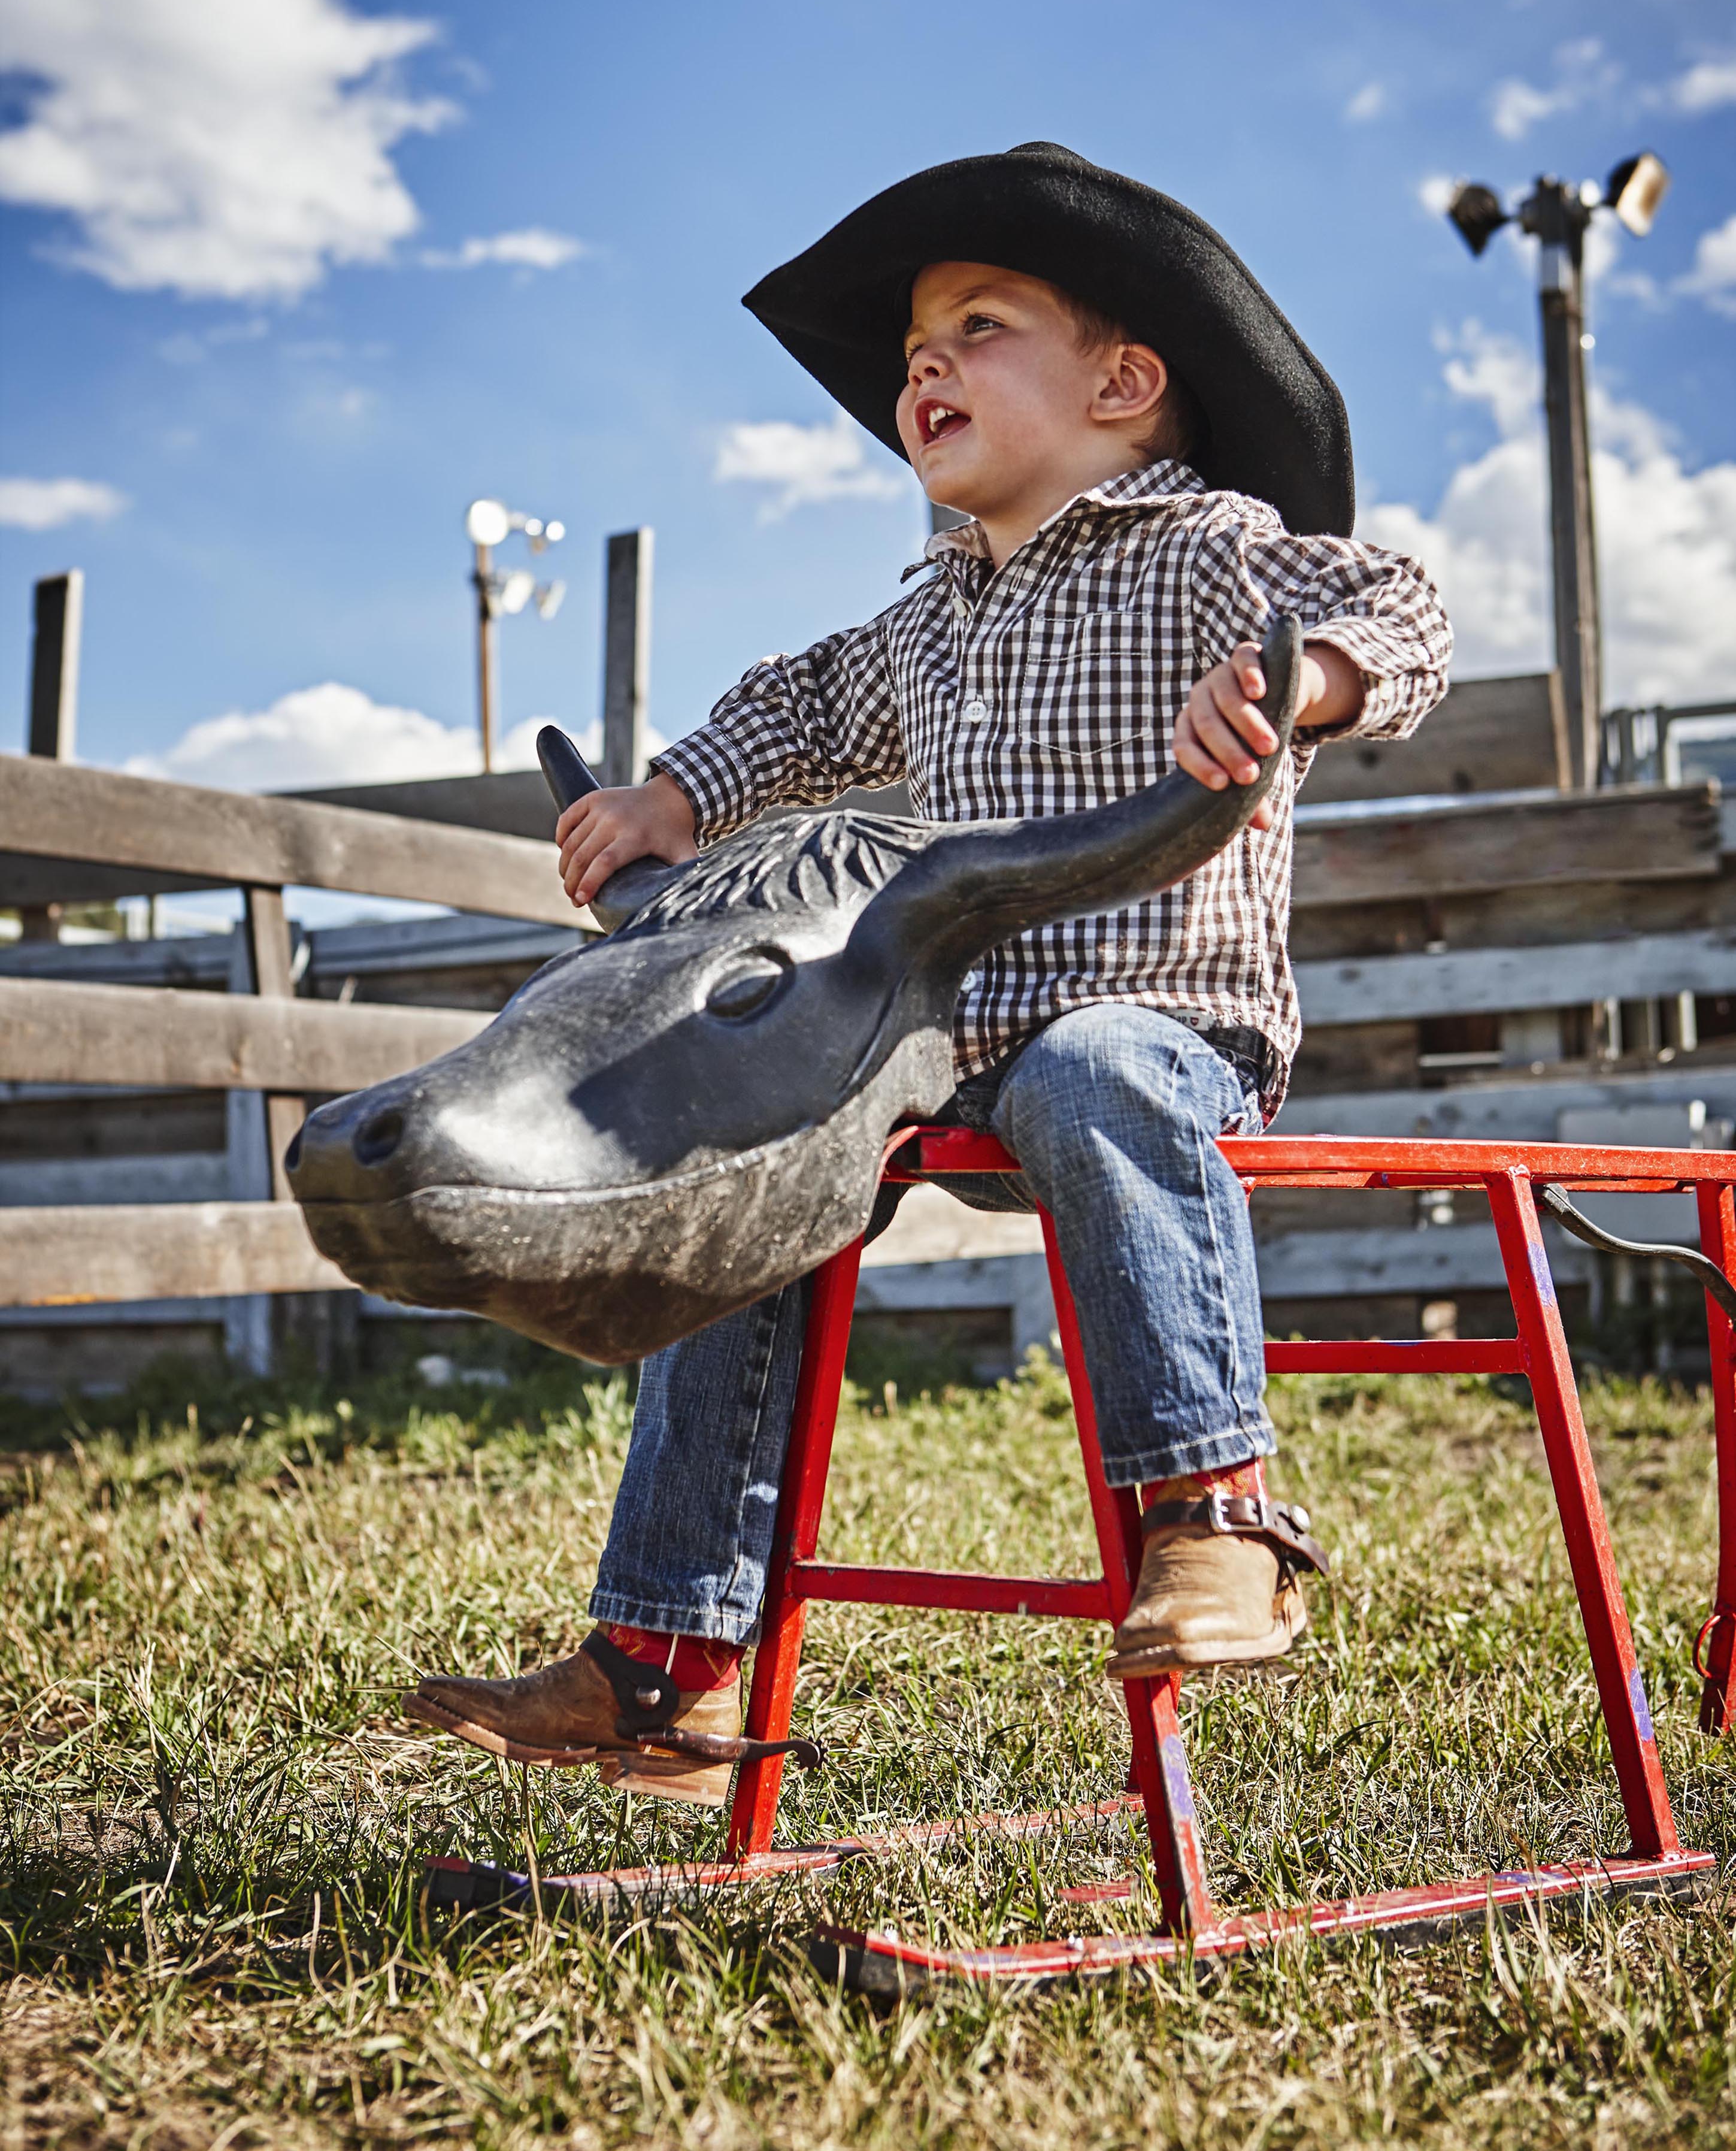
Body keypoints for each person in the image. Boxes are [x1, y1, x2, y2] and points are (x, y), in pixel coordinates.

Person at [405, 143, 1452, 1803]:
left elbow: (1396, 605)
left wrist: (1303, 680)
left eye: (977, 328)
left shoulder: (1201, 549)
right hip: (940, 1041)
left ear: (1121, 384)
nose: (924, 368)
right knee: (744, 1161)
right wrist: (672, 796)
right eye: (912, 353)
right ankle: (665, 1661)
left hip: (1159, 1010)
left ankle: (1213, 1514)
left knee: (1093, 1069)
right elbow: (800, 706)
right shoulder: (926, 616)